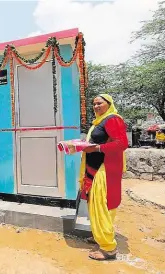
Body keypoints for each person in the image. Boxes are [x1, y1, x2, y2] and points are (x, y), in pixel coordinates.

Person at [79, 94, 128, 261]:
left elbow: (122, 143)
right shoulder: (100, 121)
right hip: (95, 168)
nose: (96, 106)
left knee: (101, 205)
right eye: (94, 104)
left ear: (109, 104)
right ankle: (99, 235)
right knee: (95, 203)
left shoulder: (113, 119)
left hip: (104, 169)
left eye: (100, 103)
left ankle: (108, 249)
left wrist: (97, 148)